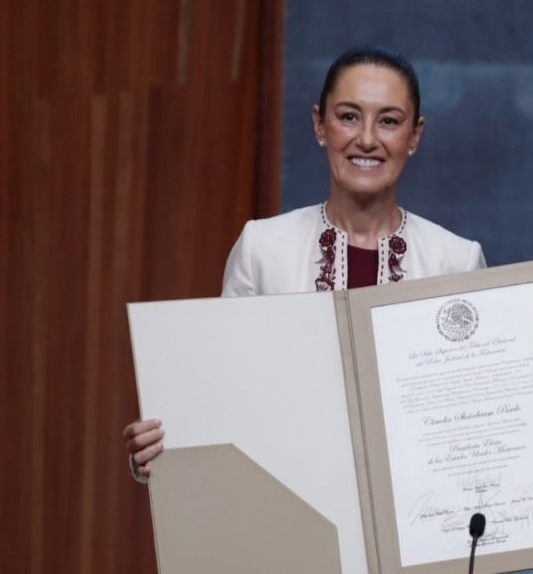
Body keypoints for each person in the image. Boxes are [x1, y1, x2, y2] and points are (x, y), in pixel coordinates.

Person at [123, 45, 486, 481]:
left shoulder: (457, 260)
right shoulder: (262, 247)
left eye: (388, 120)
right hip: (289, 511)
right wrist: (162, 452)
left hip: (417, 516)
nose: (367, 138)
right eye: (349, 116)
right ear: (319, 124)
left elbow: (475, 425)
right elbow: (220, 394)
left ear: (414, 135)